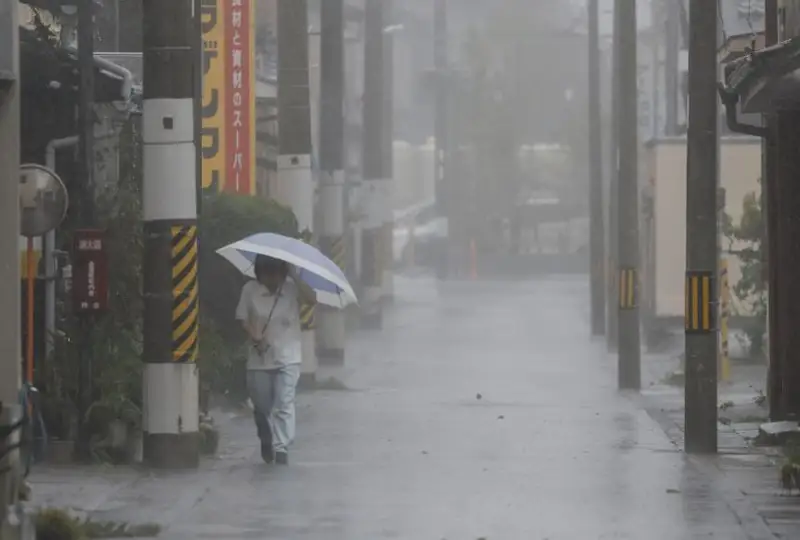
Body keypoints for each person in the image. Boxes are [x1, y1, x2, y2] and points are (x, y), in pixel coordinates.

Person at [235, 254, 316, 465]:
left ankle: (281, 448)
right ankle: (265, 434)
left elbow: (312, 299)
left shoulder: (291, 288)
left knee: (284, 401)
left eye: (276, 274)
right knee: (261, 406)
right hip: (259, 359)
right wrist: (255, 336)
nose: (272, 279)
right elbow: (242, 318)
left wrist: (294, 276)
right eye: (267, 274)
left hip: (288, 356)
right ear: (259, 274)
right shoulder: (249, 291)